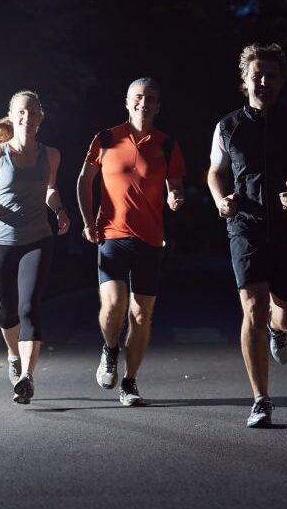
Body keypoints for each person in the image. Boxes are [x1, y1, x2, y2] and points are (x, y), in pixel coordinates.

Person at [207, 43, 287, 428]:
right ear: (244, 81)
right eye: (256, 75)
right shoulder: (228, 126)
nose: (264, 81)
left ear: (281, 82)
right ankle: (261, 399)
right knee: (253, 308)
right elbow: (215, 172)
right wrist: (220, 200)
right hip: (245, 224)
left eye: (271, 76)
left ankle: (280, 332)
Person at [76, 78, 186, 407]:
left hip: (151, 239)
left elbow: (175, 186)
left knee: (142, 315)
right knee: (114, 305)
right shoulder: (106, 139)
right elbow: (85, 179)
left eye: (151, 98)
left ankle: (130, 382)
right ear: (127, 102)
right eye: (138, 97)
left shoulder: (167, 145)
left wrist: (176, 198)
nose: (144, 102)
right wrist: (87, 221)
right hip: (112, 234)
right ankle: (110, 350)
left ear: (158, 106)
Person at [0, 91, 70, 404]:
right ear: (12, 115)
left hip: (37, 239)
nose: (28, 118)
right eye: (22, 112)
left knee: (29, 308)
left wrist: (59, 209)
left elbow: (50, 189)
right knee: (8, 312)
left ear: (40, 119)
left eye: (33, 113)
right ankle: (13, 354)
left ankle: (26, 377)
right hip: (0, 242)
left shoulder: (51, 155)